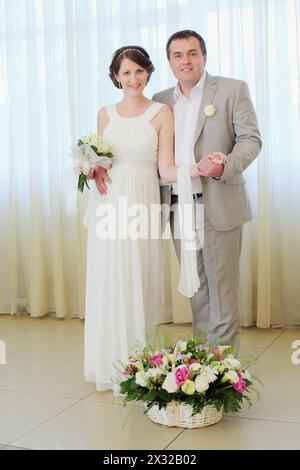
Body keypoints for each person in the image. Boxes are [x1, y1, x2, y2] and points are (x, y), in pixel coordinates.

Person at [84, 45, 202, 391]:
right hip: (108, 203)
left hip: (143, 201)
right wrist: (91, 169)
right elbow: (101, 161)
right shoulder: (105, 114)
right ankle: (107, 363)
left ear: (148, 72)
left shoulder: (161, 112)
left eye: (139, 71)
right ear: (115, 77)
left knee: (139, 276)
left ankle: (137, 364)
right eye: (125, 73)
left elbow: (166, 169)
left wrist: (198, 168)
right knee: (109, 277)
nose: (133, 79)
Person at [152, 30, 262, 350]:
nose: (185, 60)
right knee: (197, 290)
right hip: (177, 206)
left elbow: (251, 140)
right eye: (178, 55)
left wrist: (225, 164)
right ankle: (202, 369)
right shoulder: (160, 101)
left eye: (192, 53)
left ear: (204, 56)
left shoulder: (231, 89)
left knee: (222, 292)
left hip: (218, 201)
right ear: (170, 61)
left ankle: (224, 374)